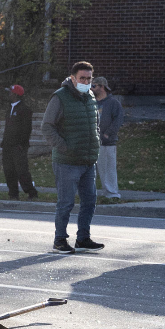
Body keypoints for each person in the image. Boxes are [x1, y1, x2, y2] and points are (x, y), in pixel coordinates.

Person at [41, 61, 105, 254]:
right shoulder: (60, 97)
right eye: (82, 78)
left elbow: (94, 124)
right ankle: (60, 240)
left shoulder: (91, 96)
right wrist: (64, 147)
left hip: (87, 159)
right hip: (67, 161)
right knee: (66, 202)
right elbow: (47, 126)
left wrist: (95, 142)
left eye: (89, 78)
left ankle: (83, 238)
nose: (86, 82)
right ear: (73, 78)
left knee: (89, 200)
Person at [1, 84, 38, 200]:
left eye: (11, 92)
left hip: (18, 146)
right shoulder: (10, 109)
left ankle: (31, 192)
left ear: (16, 94)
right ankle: (13, 193)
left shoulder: (24, 110)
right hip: (7, 145)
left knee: (22, 170)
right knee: (9, 170)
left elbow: (27, 129)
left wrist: (22, 144)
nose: (9, 94)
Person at [93, 76, 124, 204]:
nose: (91, 88)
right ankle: (91, 193)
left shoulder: (113, 103)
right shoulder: (91, 102)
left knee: (108, 168)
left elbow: (118, 121)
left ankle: (111, 193)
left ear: (102, 87)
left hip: (106, 142)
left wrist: (107, 134)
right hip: (91, 142)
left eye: (94, 86)